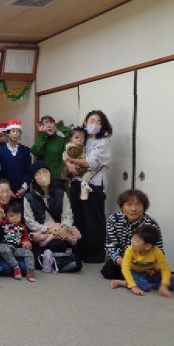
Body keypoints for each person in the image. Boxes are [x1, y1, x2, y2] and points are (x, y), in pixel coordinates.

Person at [66, 110, 112, 263]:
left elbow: (91, 163)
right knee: (77, 217)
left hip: (94, 184)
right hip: (77, 182)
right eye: (92, 121)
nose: (95, 124)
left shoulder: (103, 141)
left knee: (93, 219)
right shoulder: (81, 138)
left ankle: (94, 254)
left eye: (98, 122)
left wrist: (71, 160)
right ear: (85, 122)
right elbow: (67, 151)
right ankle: (78, 250)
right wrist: (68, 164)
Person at [24, 161, 82, 272]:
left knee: (60, 244)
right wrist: (48, 229)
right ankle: (59, 261)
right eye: (38, 173)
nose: (42, 175)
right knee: (42, 252)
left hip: (60, 232)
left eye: (45, 171)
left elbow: (67, 215)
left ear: (50, 174)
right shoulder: (29, 197)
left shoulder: (61, 193)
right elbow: (29, 221)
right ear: (33, 178)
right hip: (41, 235)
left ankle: (52, 261)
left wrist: (64, 228)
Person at [101, 189, 163, 281]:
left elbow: (159, 248)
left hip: (144, 260)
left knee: (159, 275)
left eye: (137, 205)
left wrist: (153, 267)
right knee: (108, 272)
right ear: (122, 206)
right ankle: (137, 276)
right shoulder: (113, 220)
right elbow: (110, 244)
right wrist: (121, 261)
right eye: (128, 205)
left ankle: (138, 275)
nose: (133, 209)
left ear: (144, 207)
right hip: (123, 257)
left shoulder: (151, 224)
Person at [110, 225, 174, 297]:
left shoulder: (157, 252)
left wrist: (164, 285)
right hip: (134, 272)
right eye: (133, 238)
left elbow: (165, 269)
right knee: (145, 287)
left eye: (137, 240)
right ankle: (122, 283)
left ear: (147, 246)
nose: (132, 241)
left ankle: (147, 282)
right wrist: (133, 287)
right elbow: (125, 268)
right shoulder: (130, 250)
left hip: (149, 272)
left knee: (173, 284)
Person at [0, 201, 36, 282]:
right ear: (6, 216)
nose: (15, 218)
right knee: (2, 247)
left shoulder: (22, 227)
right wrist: (1, 216)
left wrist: (26, 242)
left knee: (29, 253)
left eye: (17, 215)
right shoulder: (4, 223)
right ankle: (16, 267)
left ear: (21, 215)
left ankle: (30, 272)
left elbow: (25, 237)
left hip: (16, 248)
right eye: (11, 216)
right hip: (5, 246)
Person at [30, 115, 71, 187]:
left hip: (57, 179)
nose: (49, 125)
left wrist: (60, 126)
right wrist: (41, 135)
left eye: (51, 123)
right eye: (46, 123)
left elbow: (72, 136)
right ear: (41, 127)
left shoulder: (62, 140)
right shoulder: (41, 140)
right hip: (42, 179)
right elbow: (36, 152)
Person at [0, 119, 31, 199]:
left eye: (18, 131)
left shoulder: (25, 150)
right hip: (5, 191)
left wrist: (24, 187)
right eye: (13, 131)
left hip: (23, 190)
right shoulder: (0, 151)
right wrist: (7, 189)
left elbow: (29, 170)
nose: (15, 134)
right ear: (8, 134)